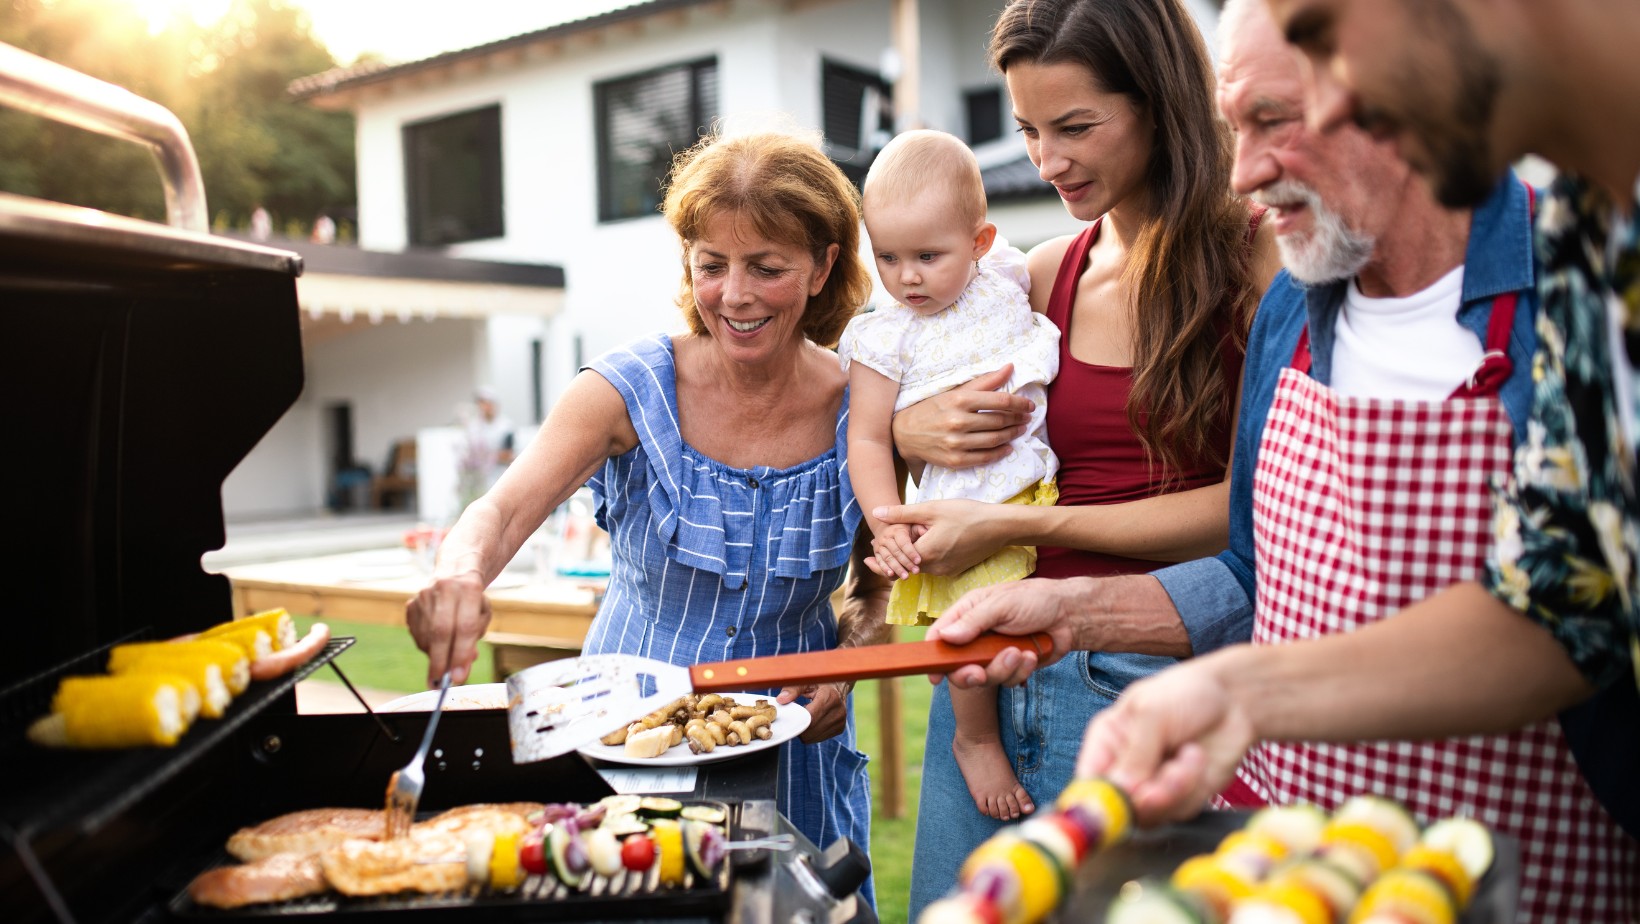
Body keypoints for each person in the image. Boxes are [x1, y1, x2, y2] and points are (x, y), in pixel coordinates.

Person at [405, 129, 888, 906]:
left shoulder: (864, 409)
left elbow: (878, 586)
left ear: (824, 265)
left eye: (766, 268)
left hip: (796, 758)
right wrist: (459, 575)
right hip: (625, 741)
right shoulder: (627, 389)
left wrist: (845, 668)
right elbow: (496, 512)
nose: (735, 295)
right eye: (711, 265)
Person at [889, 0, 1278, 913]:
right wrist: (911, 431)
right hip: (982, 679)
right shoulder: (1034, 274)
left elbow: (1260, 509)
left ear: (1160, 103)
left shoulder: (1255, 258)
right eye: (1026, 129)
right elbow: (890, 378)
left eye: (1075, 127)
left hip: (1139, 681)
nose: (1045, 160)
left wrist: (1020, 522)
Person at [838, 128, 1060, 820]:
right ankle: (975, 737)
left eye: (928, 257)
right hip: (959, 503)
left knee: (1027, 636)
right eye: (888, 257)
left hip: (1038, 488)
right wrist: (886, 522)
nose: (907, 278)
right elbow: (869, 441)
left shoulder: (1010, 278)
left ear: (981, 242)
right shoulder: (885, 335)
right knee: (966, 628)